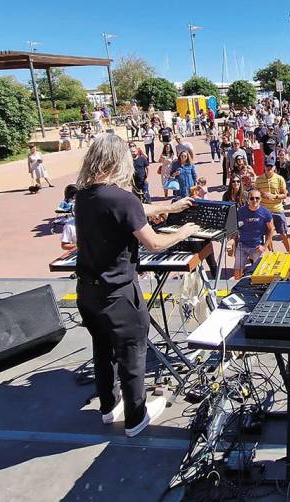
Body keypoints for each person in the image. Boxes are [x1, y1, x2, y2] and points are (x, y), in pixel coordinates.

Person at [74, 133, 198, 437]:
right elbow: (153, 243)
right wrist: (184, 231)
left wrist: (171, 205)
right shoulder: (122, 198)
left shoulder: (83, 195)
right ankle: (135, 418)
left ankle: (108, 408)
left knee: (103, 350)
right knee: (132, 352)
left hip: (88, 293)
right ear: (120, 160)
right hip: (118, 295)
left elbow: (127, 213)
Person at [228, 189, 274, 278]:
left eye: (257, 198)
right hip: (242, 246)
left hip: (257, 247)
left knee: (260, 273)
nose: (255, 201)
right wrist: (232, 240)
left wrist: (265, 246)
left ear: (260, 199)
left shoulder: (265, 212)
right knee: (237, 273)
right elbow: (235, 227)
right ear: (248, 200)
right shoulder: (241, 211)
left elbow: (271, 229)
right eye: (252, 198)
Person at [255, 158, 290, 252]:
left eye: (271, 166)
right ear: (264, 167)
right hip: (264, 212)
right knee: (268, 234)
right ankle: (272, 253)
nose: (269, 168)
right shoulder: (258, 180)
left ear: (274, 167)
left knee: (284, 234)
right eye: (267, 166)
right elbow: (256, 194)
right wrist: (262, 195)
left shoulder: (279, 179)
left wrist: (274, 196)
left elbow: (285, 195)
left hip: (277, 210)